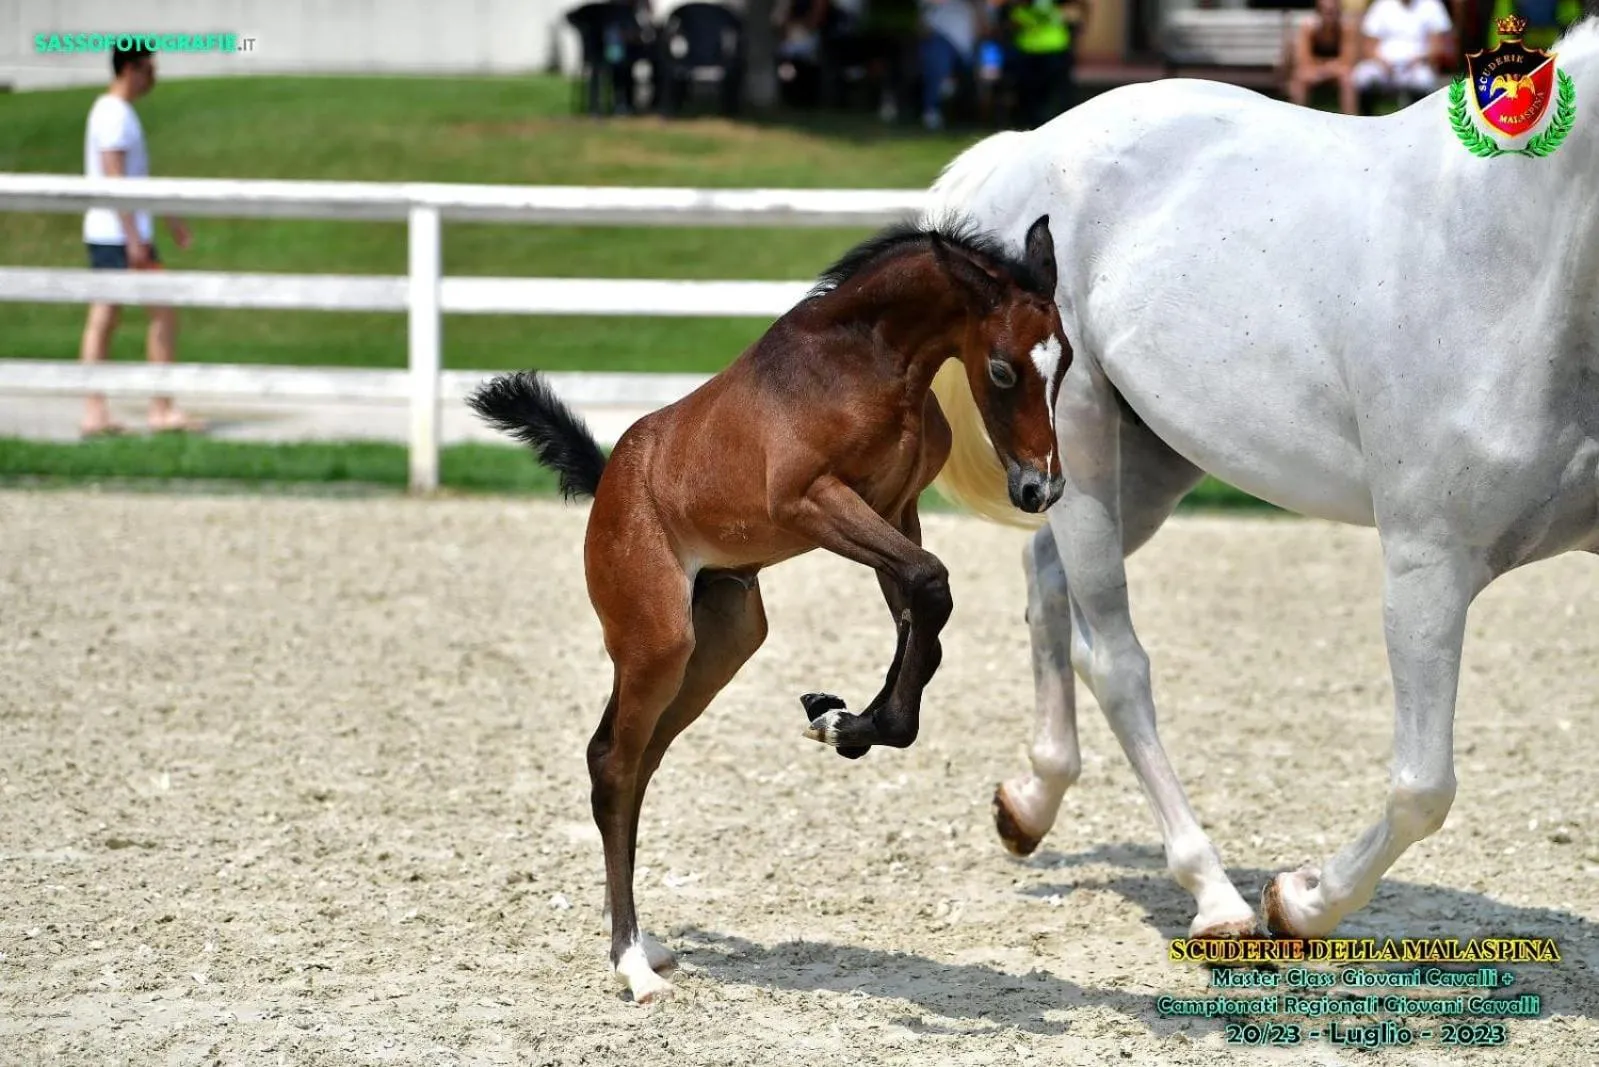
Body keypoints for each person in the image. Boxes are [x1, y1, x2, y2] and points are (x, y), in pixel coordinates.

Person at [79, 43, 202, 437]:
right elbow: (114, 178)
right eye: (150, 68)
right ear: (131, 67)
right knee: (155, 313)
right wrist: (134, 238)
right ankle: (158, 409)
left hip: (115, 233)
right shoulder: (114, 114)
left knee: (106, 318)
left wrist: (169, 218)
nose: (155, 76)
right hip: (120, 235)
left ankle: (98, 412)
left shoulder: (113, 111)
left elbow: (136, 178)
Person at [1351, 0, 1454, 101]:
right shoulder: (1381, 5)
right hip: (1383, 66)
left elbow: (1437, 46)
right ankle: (1365, 115)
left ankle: (1417, 115)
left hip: (1416, 66)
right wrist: (1382, 62)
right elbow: (1369, 45)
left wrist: (1421, 59)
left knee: (1423, 80)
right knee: (1361, 76)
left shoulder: (1432, 5)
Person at [1287, 0, 1360, 113]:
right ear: (1319, 12)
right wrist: (1322, 69)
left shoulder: (1347, 28)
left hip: (1338, 71)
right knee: (1299, 79)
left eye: (1333, 12)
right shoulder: (1308, 28)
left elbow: (1348, 60)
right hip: (1315, 70)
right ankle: (1297, 118)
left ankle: (1351, 120)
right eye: (1326, 12)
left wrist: (1327, 68)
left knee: (1348, 79)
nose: (1330, 16)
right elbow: (1303, 60)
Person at [918, 0, 979, 130]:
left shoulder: (975, 6)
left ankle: (959, 109)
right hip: (941, 38)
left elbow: (983, 26)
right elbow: (922, 23)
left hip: (967, 48)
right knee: (938, 61)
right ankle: (932, 110)